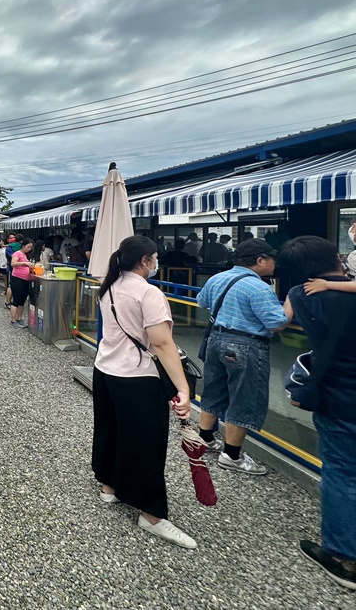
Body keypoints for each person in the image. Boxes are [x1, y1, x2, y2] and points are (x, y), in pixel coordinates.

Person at [92, 235, 197, 550]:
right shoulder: (148, 293)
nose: (155, 263)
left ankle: (109, 486)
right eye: (154, 257)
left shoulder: (108, 285)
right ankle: (151, 514)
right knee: (146, 443)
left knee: (110, 429)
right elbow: (162, 343)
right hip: (137, 376)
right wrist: (183, 387)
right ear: (145, 260)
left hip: (106, 369)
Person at [276, 236, 356, 590]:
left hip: (336, 395)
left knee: (341, 471)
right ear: (338, 258)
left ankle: (343, 556)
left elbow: (278, 322)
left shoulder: (298, 294)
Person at [196, 238, 291, 475]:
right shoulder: (259, 287)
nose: (274, 264)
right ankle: (232, 455)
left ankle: (205, 438)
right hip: (246, 345)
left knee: (214, 389)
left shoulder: (218, 278)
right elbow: (277, 323)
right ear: (260, 260)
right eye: (272, 259)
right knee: (244, 397)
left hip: (215, 340)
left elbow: (201, 302)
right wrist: (291, 303)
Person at [9, 238, 35, 328]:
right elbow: (13, 263)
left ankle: (19, 318)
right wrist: (25, 263)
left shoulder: (25, 255)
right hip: (17, 279)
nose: (29, 249)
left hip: (26, 279)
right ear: (23, 245)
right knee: (16, 300)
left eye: (30, 247)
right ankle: (13, 320)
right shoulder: (17, 253)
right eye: (28, 247)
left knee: (22, 301)